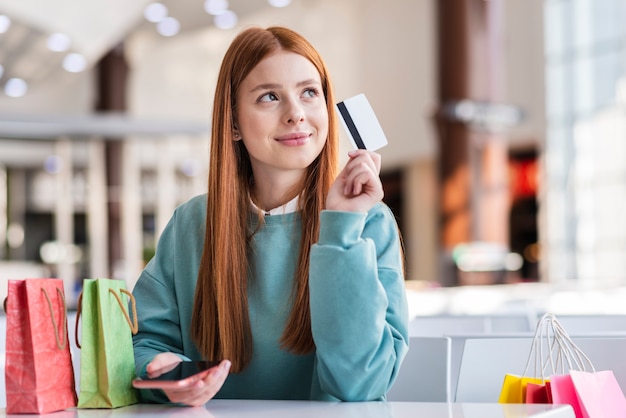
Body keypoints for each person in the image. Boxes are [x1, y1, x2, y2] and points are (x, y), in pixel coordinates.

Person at [132, 25, 409, 406]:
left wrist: (341, 228)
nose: (296, 114)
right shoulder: (191, 224)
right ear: (232, 122)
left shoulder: (370, 223)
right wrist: (164, 370)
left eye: (310, 92)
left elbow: (359, 384)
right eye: (269, 97)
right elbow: (143, 342)